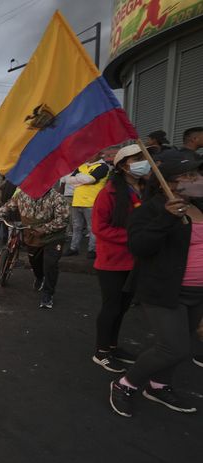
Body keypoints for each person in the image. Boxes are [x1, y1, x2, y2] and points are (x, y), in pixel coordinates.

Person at [109, 156, 203, 417]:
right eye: (191, 176)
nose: (198, 180)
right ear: (170, 183)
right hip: (163, 291)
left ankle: (159, 386)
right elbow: (139, 247)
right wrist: (166, 217)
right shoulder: (149, 211)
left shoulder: (199, 206)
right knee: (173, 347)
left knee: (180, 347)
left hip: (198, 292)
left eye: (198, 174)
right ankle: (125, 383)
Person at [91, 144, 146, 373]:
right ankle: (101, 352)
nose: (144, 163)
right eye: (138, 159)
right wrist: (134, 237)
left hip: (136, 260)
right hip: (112, 261)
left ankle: (113, 346)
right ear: (124, 166)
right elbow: (99, 227)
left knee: (122, 308)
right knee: (111, 307)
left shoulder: (147, 189)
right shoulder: (109, 193)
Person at [0, 187, 69, 308]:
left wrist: (44, 229)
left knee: (50, 264)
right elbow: (8, 206)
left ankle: (48, 294)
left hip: (53, 238)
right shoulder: (21, 195)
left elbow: (63, 219)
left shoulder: (57, 198)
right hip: (31, 237)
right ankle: (39, 277)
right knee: (34, 262)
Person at [65, 155, 110, 259]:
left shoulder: (102, 166)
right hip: (77, 201)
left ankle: (92, 250)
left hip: (92, 202)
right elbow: (68, 180)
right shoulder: (82, 166)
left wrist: (78, 179)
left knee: (92, 228)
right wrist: (82, 179)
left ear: (99, 153)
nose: (89, 156)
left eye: (93, 153)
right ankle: (73, 248)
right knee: (76, 227)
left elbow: (91, 179)